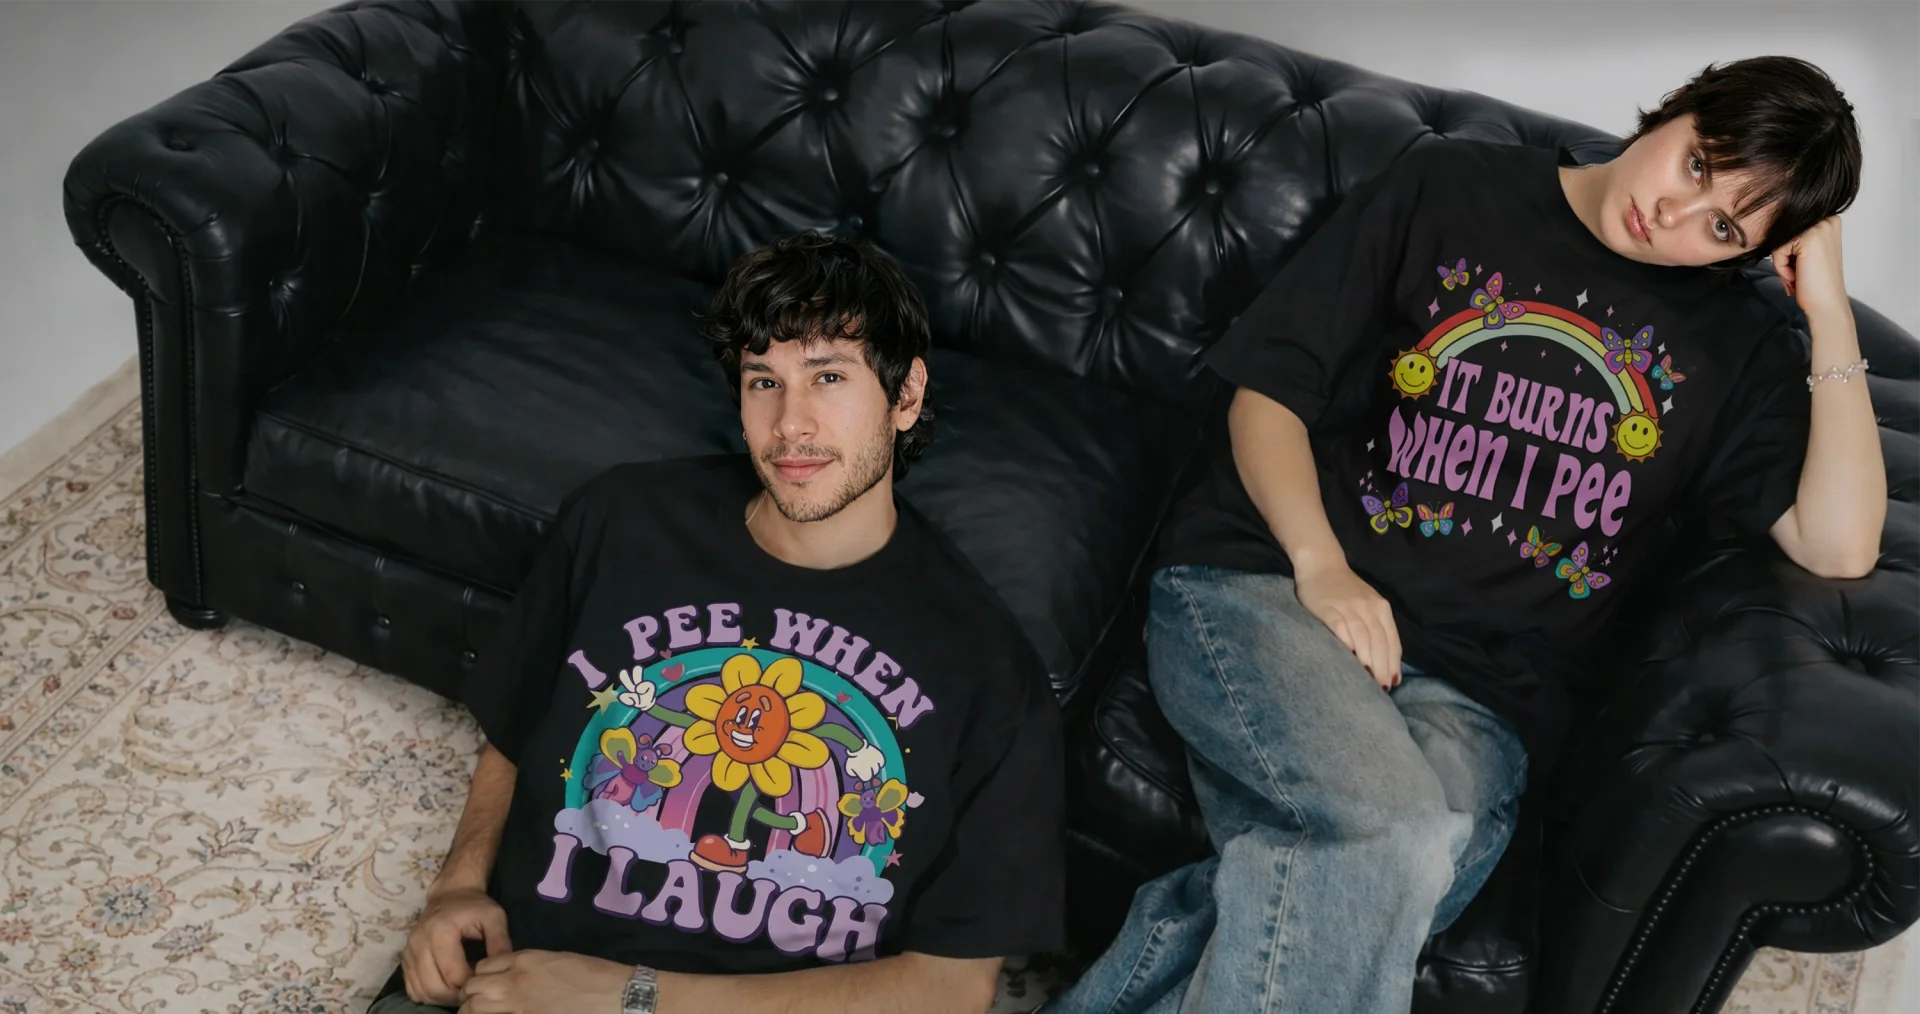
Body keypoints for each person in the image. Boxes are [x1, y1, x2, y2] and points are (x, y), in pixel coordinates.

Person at [1054, 56, 1883, 1014]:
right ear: (1680, 108)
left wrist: (1826, 314)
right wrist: (1322, 568)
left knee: (1354, 873)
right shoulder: (1449, 186)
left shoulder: (1737, 345)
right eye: (1699, 167)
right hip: (1267, 586)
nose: (1679, 217)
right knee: (1396, 839)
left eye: (1726, 228)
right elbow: (1268, 392)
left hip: (1485, 691)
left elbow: (1839, 546)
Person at [370, 233, 1065, 1014]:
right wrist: (455, 888)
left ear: (904, 398)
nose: (790, 425)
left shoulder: (987, 665)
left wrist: (628, 997)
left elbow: (950, 989)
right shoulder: (622, 519)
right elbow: (517, 712)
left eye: (828, 376)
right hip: (512, 990)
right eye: (763, 380)